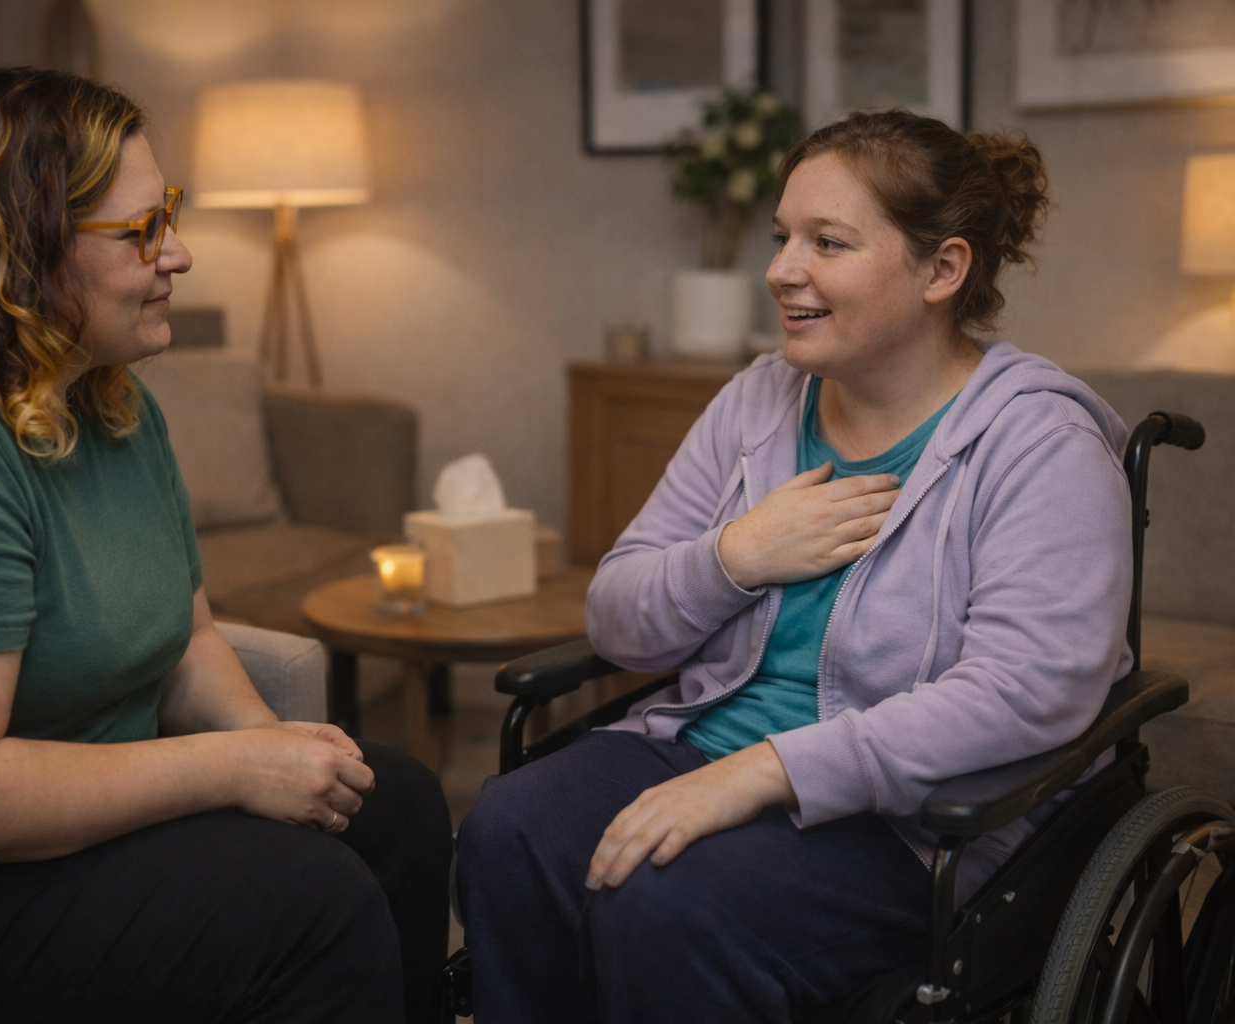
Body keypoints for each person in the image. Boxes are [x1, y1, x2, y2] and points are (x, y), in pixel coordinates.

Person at [0, 66, 452, 1024]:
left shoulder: (107, 399)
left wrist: (268, 747)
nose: (178, 252)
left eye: (167, 212)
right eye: (141, 230)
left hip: (39, 811)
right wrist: (231, 769)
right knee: (310, 902)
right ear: (18, 252)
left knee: (399, 806)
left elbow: (186, 639)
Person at [456, 109, 1134, 1022]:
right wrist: (736, 556)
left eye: (828, 241)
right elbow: (615, 617)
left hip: (911, 828)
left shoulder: (1040, 445)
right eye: (783, 237)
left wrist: (763, 771)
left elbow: (1027, 690)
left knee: (665, 902)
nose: (780, 269)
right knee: (507, 828)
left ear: (942, 270)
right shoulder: (757, 402)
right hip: (700, 747)